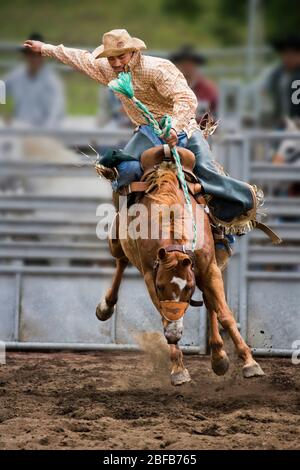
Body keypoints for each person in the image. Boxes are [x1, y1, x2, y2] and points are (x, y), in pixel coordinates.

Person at [23, 29, 265, 249]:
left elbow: (186, 99)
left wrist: (175, 127)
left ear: (133, 52)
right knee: (122, 170)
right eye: (111, 58)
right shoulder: (107, 69)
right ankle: (129, 230)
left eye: (121, 56)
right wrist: (45, 49)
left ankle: (228, 223)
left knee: (208, 172)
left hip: (181, 128)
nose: (116, 63)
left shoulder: (157, 69)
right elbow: (79, 58)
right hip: (147, 131)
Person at [4, 33, 65, 128]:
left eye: (37, 55)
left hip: (41, 132)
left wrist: (43, 134)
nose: (34, 59)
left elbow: (55, 114)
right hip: (18, 130)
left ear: (43, 57)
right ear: (26, 56)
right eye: (31, 55)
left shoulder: (52, 82)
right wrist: (3, 109)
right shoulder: (17, 75)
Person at [169, 45, 218, 127]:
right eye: (183, 63)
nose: (187, 66)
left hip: (202, 133)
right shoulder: (169, 87)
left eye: (190, 63)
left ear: (196, 65)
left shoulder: (207, 89)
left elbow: (217, 113)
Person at [258, 34, 300, 128]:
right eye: (285, 53)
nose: (289, 57)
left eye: (293, 54)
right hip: (280, 124)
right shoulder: (276, 74)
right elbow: (265, 94)